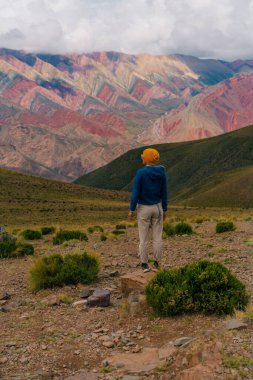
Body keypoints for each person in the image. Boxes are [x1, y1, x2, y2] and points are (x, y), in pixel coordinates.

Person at [128, 148, 167, 272]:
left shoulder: (141, 173)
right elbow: (164, 192)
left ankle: (144, 265)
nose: (142, 157)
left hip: (144, 208)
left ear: (147, 158)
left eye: (143, 155)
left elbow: (135, 192)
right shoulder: (161, 173)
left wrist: (131, 209)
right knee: (157, 237)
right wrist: (165, 209)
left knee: (143, 238)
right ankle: (156, 263)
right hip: (157, 208)